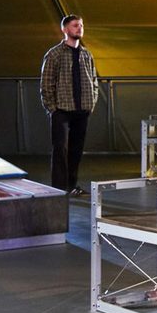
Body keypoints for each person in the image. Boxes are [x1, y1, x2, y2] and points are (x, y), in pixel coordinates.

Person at [39, 13, 98, 197]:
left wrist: (91, 102)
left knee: (76, 150)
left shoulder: (86, 54)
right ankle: (58, 188)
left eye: (81, 25)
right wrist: (53, 109)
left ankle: (72, 185)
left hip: (82, 110)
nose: (79, 28)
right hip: (62, 111)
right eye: (75, 25)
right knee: (60, 150)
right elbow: (46, 83)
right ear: (65, 29)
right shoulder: (54, 54)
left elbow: (94, 80)